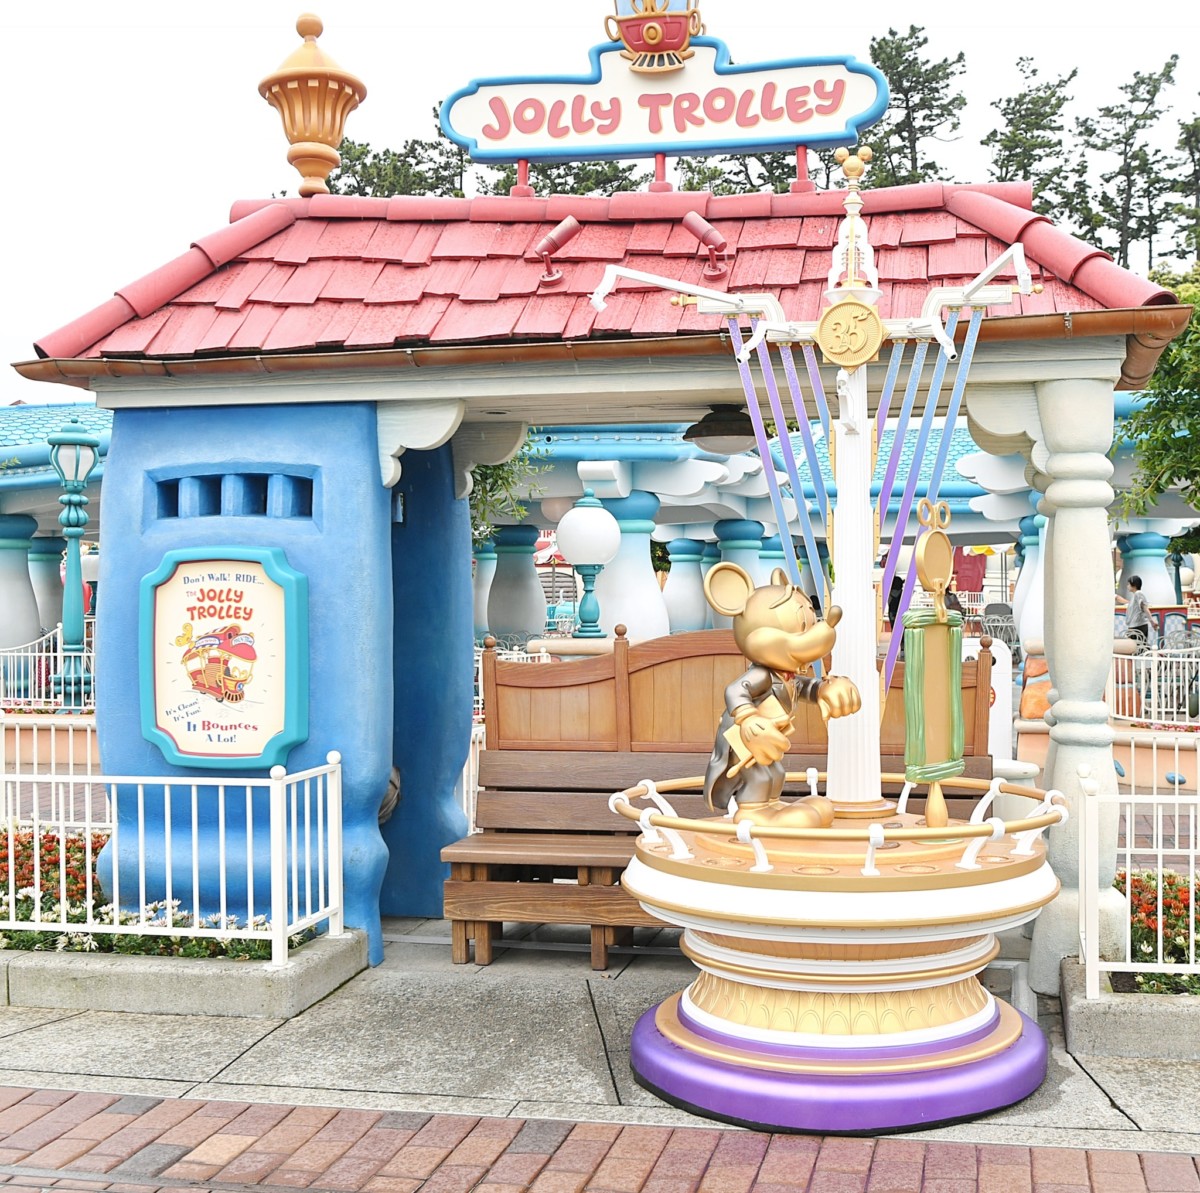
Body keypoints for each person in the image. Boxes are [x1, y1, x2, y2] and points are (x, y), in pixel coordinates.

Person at [1117, 575, 1151, 650]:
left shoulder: (1138, 594)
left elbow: (1144, 607)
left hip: (1138, 626)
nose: (1127, 586)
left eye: (1128, 584)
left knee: (1137, 648)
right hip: (1135, 626)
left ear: (1134, 585)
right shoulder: (1135, 596)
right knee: (1136, 648)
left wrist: (1152, 621)